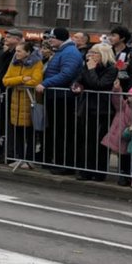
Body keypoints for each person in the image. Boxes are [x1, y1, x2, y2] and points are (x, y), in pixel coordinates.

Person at [37, 27, 83, 171]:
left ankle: (64, 164)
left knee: (63, 132)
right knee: (56, 131)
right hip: (56, 97)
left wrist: (45, 83)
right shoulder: (63, 51)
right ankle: (54, 160)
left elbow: (66, 74)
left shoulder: (70, 52)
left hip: (63, 98)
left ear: (60, 38)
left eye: (52, 38)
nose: (50, 40)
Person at [76, 43, 117, 181]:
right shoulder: (87, 66)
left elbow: (99, 85)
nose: (91, 56)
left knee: (100, 142)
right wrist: (75, 86)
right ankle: (85, 170)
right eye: (90, 53)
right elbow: (79, 80)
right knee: (86, 140)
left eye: (94, 53)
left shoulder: (111, 69)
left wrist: (92, 70)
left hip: (102, 109)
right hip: (87, 107)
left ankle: (99, 172)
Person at [2, 40, 44, 169]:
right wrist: (21, 79)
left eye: (19, 51)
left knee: (29, 133)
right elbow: (5, 80)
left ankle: (29, 159)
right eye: (16, 51)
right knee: (18, 132)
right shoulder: (14, 62)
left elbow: (35, 80)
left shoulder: (37, 63)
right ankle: (19, 158)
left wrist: (18, 83)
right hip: (16, 102)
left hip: (29, 101)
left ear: (28, 52)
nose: (17, 53)